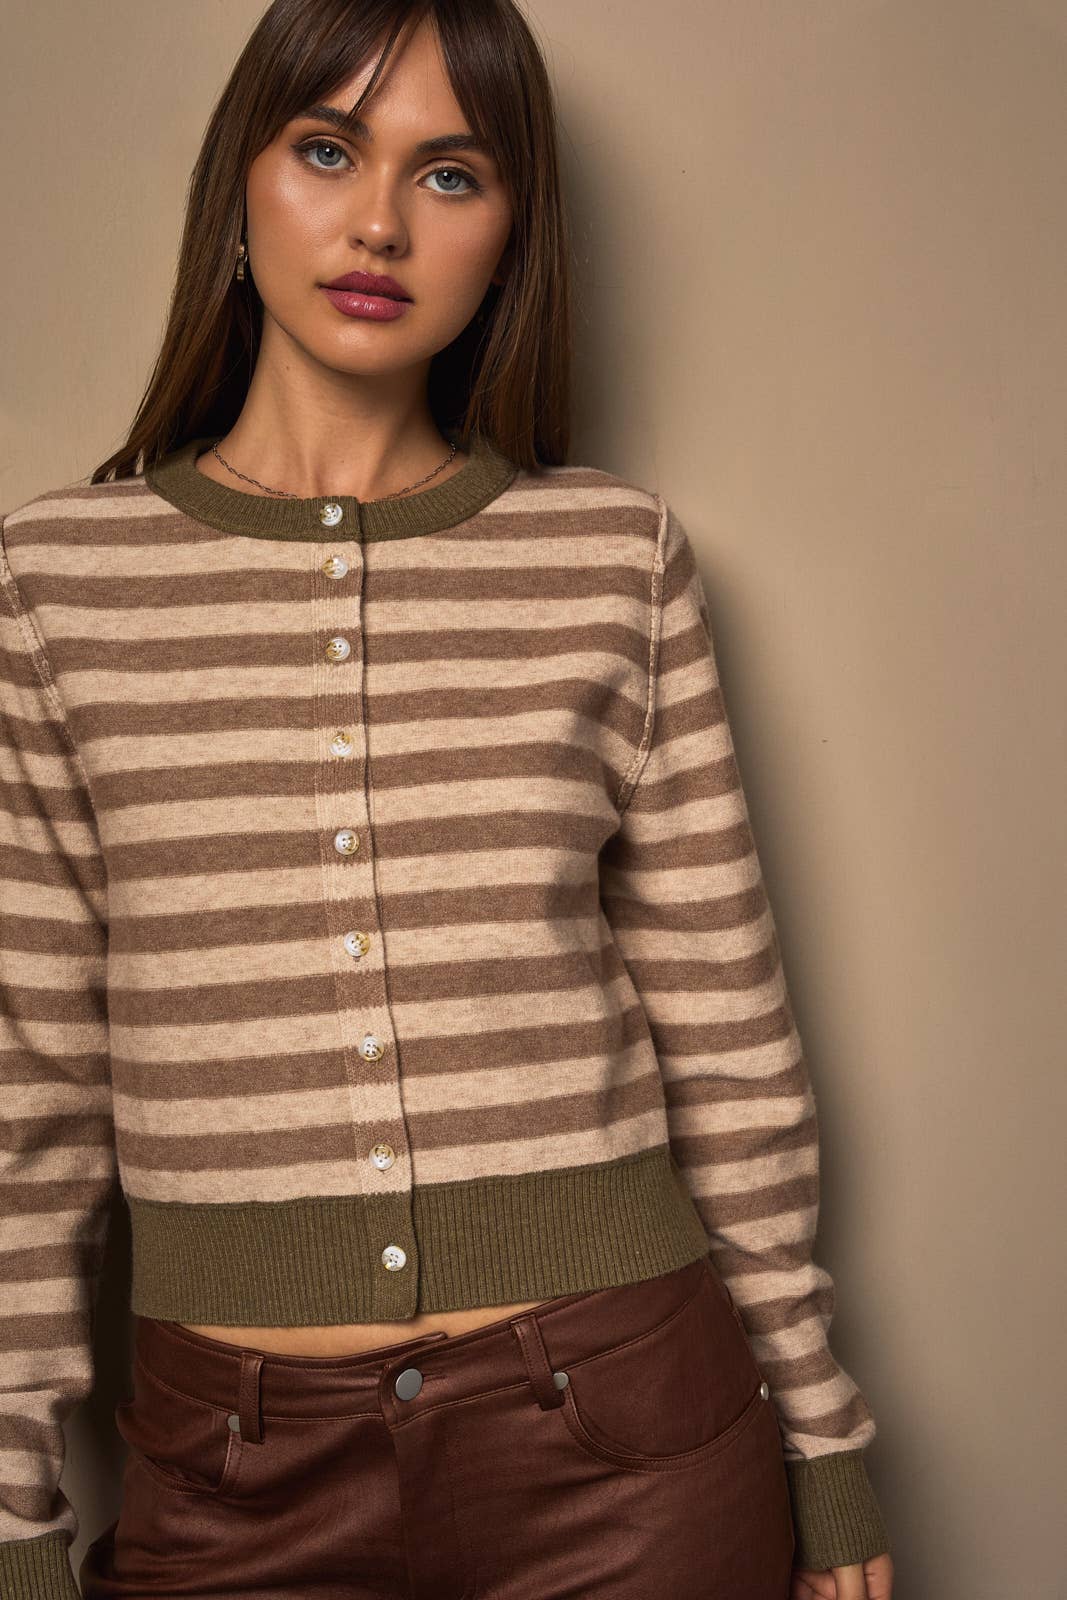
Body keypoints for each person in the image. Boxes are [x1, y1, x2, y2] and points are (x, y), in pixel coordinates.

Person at [0, 2, 894, 1596]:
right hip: (230, 1473)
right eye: (327, 151)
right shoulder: (56, 582)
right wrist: (14, 1517)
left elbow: (730, 1039)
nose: (379, 225)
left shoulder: (613, 560)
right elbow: (32, 1098)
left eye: (451, 174)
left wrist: (823, 1442)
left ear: (509, 236)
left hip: (627, 1450)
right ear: (238, 191)